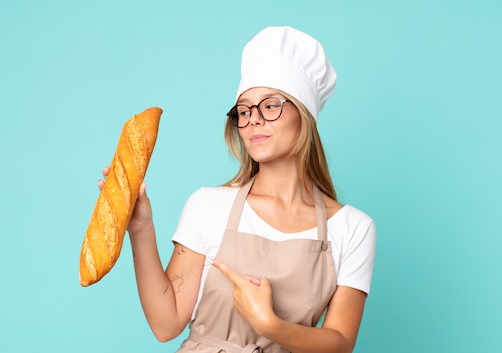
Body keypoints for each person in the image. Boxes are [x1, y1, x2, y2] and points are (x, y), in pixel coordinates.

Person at [99, 26, 376, 353]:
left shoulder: (353, 228)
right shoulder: (207, 206)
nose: (253, 120)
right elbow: (166, 324)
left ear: (304, 115)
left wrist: (269, 325)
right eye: (243, 111)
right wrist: (141, 230)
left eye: (270, 105)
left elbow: (340, 344)